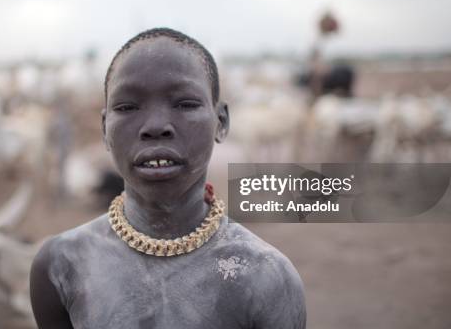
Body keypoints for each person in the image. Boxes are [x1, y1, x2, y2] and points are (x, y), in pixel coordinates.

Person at [30, 28, 306, 328]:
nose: (156, 125)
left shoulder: (267, 276)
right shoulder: (60, 266)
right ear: (104, 128)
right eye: (127, 107)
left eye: (185, 104)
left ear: (221, 122)